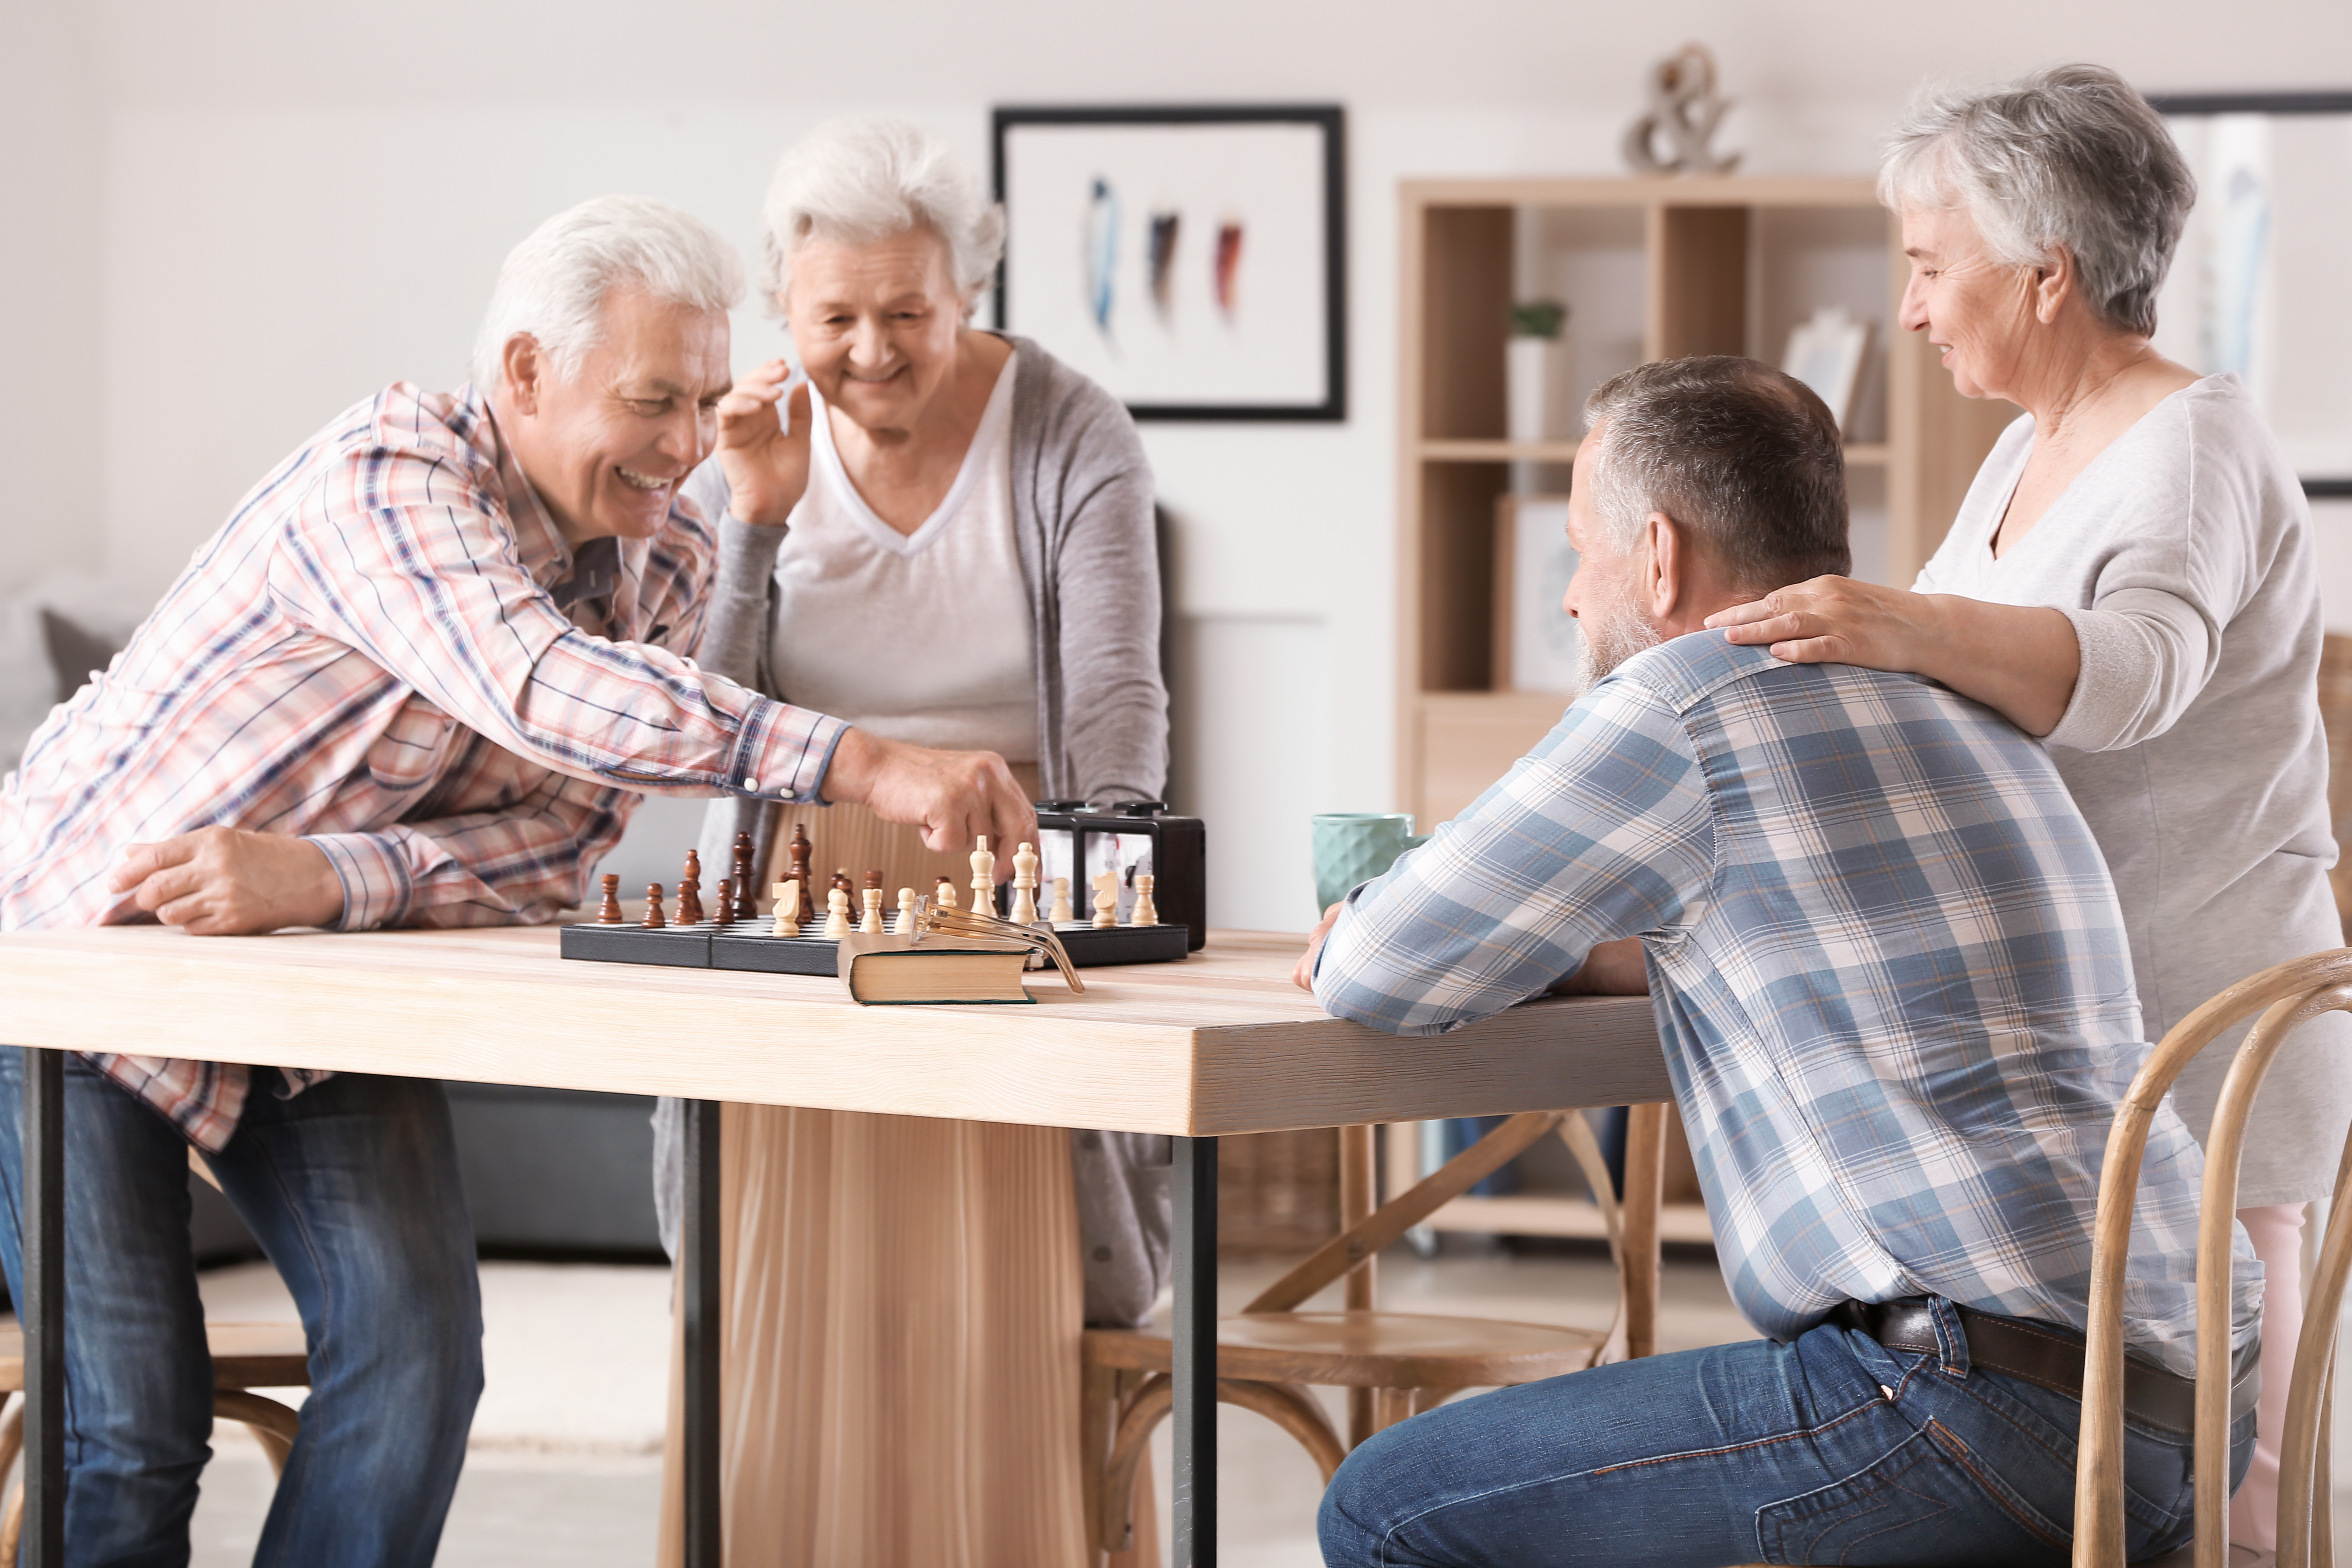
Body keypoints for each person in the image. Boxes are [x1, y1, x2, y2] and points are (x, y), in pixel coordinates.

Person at [0, 193, 1032, 1568]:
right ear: (526, 374)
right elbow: (541, 689)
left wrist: (325, 876)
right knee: (131, 1431)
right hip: (77, 959)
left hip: (302, 995)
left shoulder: (663, 561)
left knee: (418, 1367)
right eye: (654, 401)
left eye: (705, 401)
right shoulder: (386, 475)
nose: (686, 449)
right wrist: (861, 764)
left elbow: (564, 844)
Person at [1302, 356, 2258, 1568]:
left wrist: (1365, 921)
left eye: (1579, 555)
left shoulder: (1680, 702)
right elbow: (1826, 933)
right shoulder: (1956, 690)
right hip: (2188, 1417)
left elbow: (1380, 968)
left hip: (1971, 1414)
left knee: (1391, 1502)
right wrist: (1607, 961)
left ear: (1657, 554)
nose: (1570, 600)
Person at [1703, 64, 2343, 1550]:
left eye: (1932, 268)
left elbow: (2132, 676)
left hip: (2202, 1044)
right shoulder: (2032, 443)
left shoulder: (2190, 447)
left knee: (2232, 1508)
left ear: (2046, 276)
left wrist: (1899, 626)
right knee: (2101, 1488)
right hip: (2084, 1040)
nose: (1913, 309)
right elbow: (1937, 681)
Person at [645, 120, 1169, 1567]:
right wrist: (751, 517)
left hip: (1006, 884)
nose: (872, 351)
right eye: (835, 318)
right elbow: (701, 711)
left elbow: (1118, 695)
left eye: (909, 315)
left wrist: (1101, 891)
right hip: (809, 906)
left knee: (1004, 1297)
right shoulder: (739, 444)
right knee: (785, 1300)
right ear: (782, 310)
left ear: (970, 297)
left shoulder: (1071, 427)